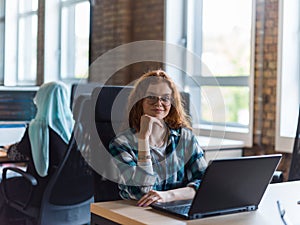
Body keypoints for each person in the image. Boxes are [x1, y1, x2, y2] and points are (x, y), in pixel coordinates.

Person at [109, 70, 207, 207]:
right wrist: (143, 139)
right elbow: (142, 192)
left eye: (165, 98)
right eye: (151, 97)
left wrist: (168, 195)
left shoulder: (185, 138)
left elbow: (205, 183)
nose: (159, 103)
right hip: (138, 214)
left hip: (177, 210)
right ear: (140, 101)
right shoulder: (121, 144)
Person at [0, 81, 74, 224]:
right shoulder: (74, 127)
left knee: (3, 186)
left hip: (40, 192)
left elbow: (16, 154)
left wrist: (9, 148)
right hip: (68, 194)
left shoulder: (38, 128)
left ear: (42, 99)